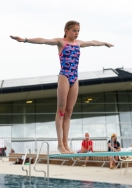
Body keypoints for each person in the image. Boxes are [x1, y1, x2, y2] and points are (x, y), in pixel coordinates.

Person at [10, 20, 114, 154]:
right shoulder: (61, 42)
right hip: (64, 76)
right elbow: (43, 40)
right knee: (61, 110)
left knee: (69, 112)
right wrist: (25, 39)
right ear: (66, 31)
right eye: (74, 30)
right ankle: (60, 145)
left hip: (74, 78)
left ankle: (66, 144)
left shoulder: (79, 43)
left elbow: (93, 42)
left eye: (78, 31)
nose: (76, 33)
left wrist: (104, 43)